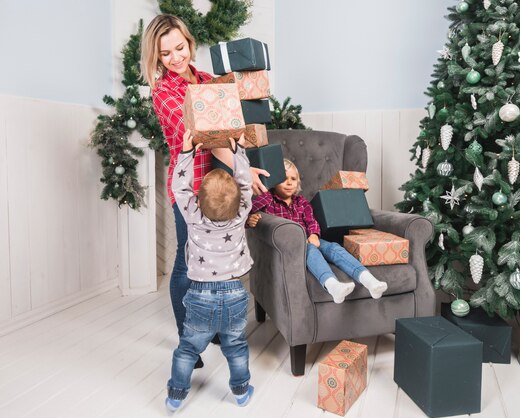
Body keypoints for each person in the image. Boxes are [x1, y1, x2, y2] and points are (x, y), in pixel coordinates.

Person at [140, 14, 267, 355]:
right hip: (190, 188)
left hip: (221, 185)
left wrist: (245, 168)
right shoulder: (164, 93)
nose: (176, 58)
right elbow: (209, 134)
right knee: (187, 261)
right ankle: (189, 337)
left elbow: (233, 127)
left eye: (179, 47)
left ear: (190, 43)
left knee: (219, 262)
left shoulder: (210, 80)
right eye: (166, 54)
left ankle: (212, 324)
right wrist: (244, 168)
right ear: (156, 57)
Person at [165, 131, 255, 412]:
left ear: (199, 200)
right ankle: (240, 391)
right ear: (237, 199)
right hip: (235, 294)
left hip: (199, 295)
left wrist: (186, 152)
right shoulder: (241, 213)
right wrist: (237, 148)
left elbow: (179, 187)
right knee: (236, 346)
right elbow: (246, 182)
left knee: (188, 348)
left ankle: (176, 395)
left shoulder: (192, 216)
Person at [247, 159, 388, 303]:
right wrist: (250, 219)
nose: (289, 183)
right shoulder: (268, 199)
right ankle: (332, 285)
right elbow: (247, 210)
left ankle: (370, 281)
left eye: (293, 179)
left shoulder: (301, 202)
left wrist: (314, 234)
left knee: (333, 248)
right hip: (291, 247)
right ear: (274, 182)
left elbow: (311, 220)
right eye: (283, 179)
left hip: (310, 238)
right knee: (311, 250)